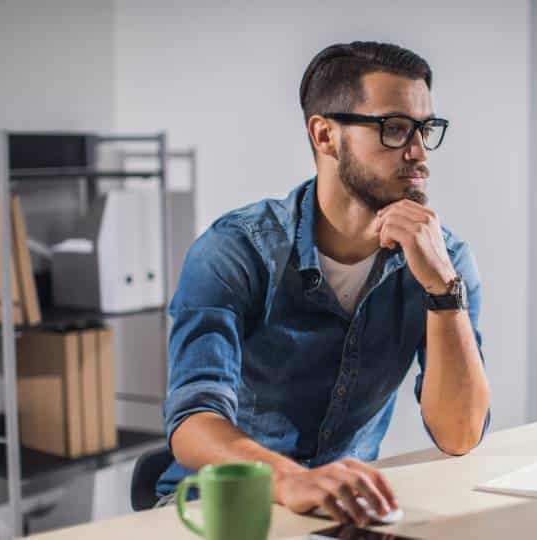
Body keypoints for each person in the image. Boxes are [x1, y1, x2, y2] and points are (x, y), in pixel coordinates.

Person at [154, 41, 491, 527]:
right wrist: (291, 480)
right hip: (219, 510)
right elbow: (192, 423)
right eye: (394, 129)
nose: (418, 152)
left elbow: (460, 434)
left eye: (425, 129)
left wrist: (443, 291)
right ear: (325, 135)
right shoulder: (235, 250)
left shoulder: (446, 261)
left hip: (342, 513)